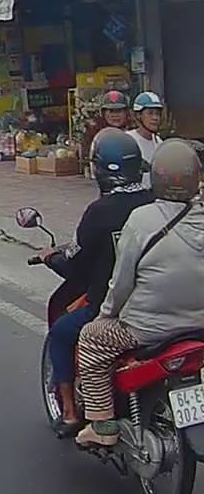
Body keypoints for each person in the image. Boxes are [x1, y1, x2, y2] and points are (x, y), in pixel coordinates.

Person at [75, 139, 204, 446]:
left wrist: (106, 315)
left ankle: (102, 425)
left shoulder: (141, 219)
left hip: (147, 329)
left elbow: (121, 282)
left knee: (90, 338)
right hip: (199, 326)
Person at [43, 128, 153, 436]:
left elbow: (76, 263)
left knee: (62, 333)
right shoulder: (156, 204)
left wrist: (52, 259)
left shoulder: (99, 212)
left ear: (100, 170)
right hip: (164, 302)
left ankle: (71, 414)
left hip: (121, 309)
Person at [128, 91, 165, 187]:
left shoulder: (160, 144)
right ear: (138, 115)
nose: (155, 118)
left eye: (157, 114)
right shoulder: (128, 140)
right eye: (150, 113)